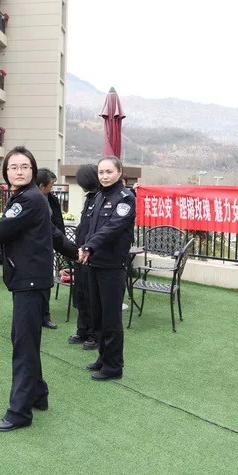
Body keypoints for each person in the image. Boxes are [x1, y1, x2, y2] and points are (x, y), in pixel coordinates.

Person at [0, 146, 77, 432]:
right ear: (6, 172)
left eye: (24, 166)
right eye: (13, 167)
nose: (19, 171)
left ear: (32, 170)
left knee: (23, 345)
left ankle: (19, 412)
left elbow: (0, 230)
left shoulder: (28, 199)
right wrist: (76, 251)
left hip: (30, 281)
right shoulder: (29, 197)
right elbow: (53, 233)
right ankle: (38, 394)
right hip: (30, 279)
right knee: (26, 341)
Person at [78, 156, 136, 381]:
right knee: (98, 316)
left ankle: (113, 367)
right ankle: (103, 357)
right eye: (101, 172)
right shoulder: (99, 196)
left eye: (109, 172)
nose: (104, 176)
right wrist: (83, 248)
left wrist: (89, 246)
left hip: (112, 266)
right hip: (94, 263)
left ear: (119, 172)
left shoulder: (125, 198)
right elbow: (90, 229)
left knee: (111, 319)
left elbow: (112, 227)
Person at [67, 164, 102, 350]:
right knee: (80, 294)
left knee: (91, 297)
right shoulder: (89, 198)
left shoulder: (100, 198)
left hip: (92, 256)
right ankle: (82, 330)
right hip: (81, 255)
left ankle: (94, 335)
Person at [36, 167, 63, 329]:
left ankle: (45, 316)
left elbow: (57, 221)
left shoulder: (51, 199)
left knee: (46, 282)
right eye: (51, 185)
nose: (52, 188)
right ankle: (32, 316)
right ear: (41, 186)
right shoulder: (26, 199)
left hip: (48, 246)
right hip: (32, 249)